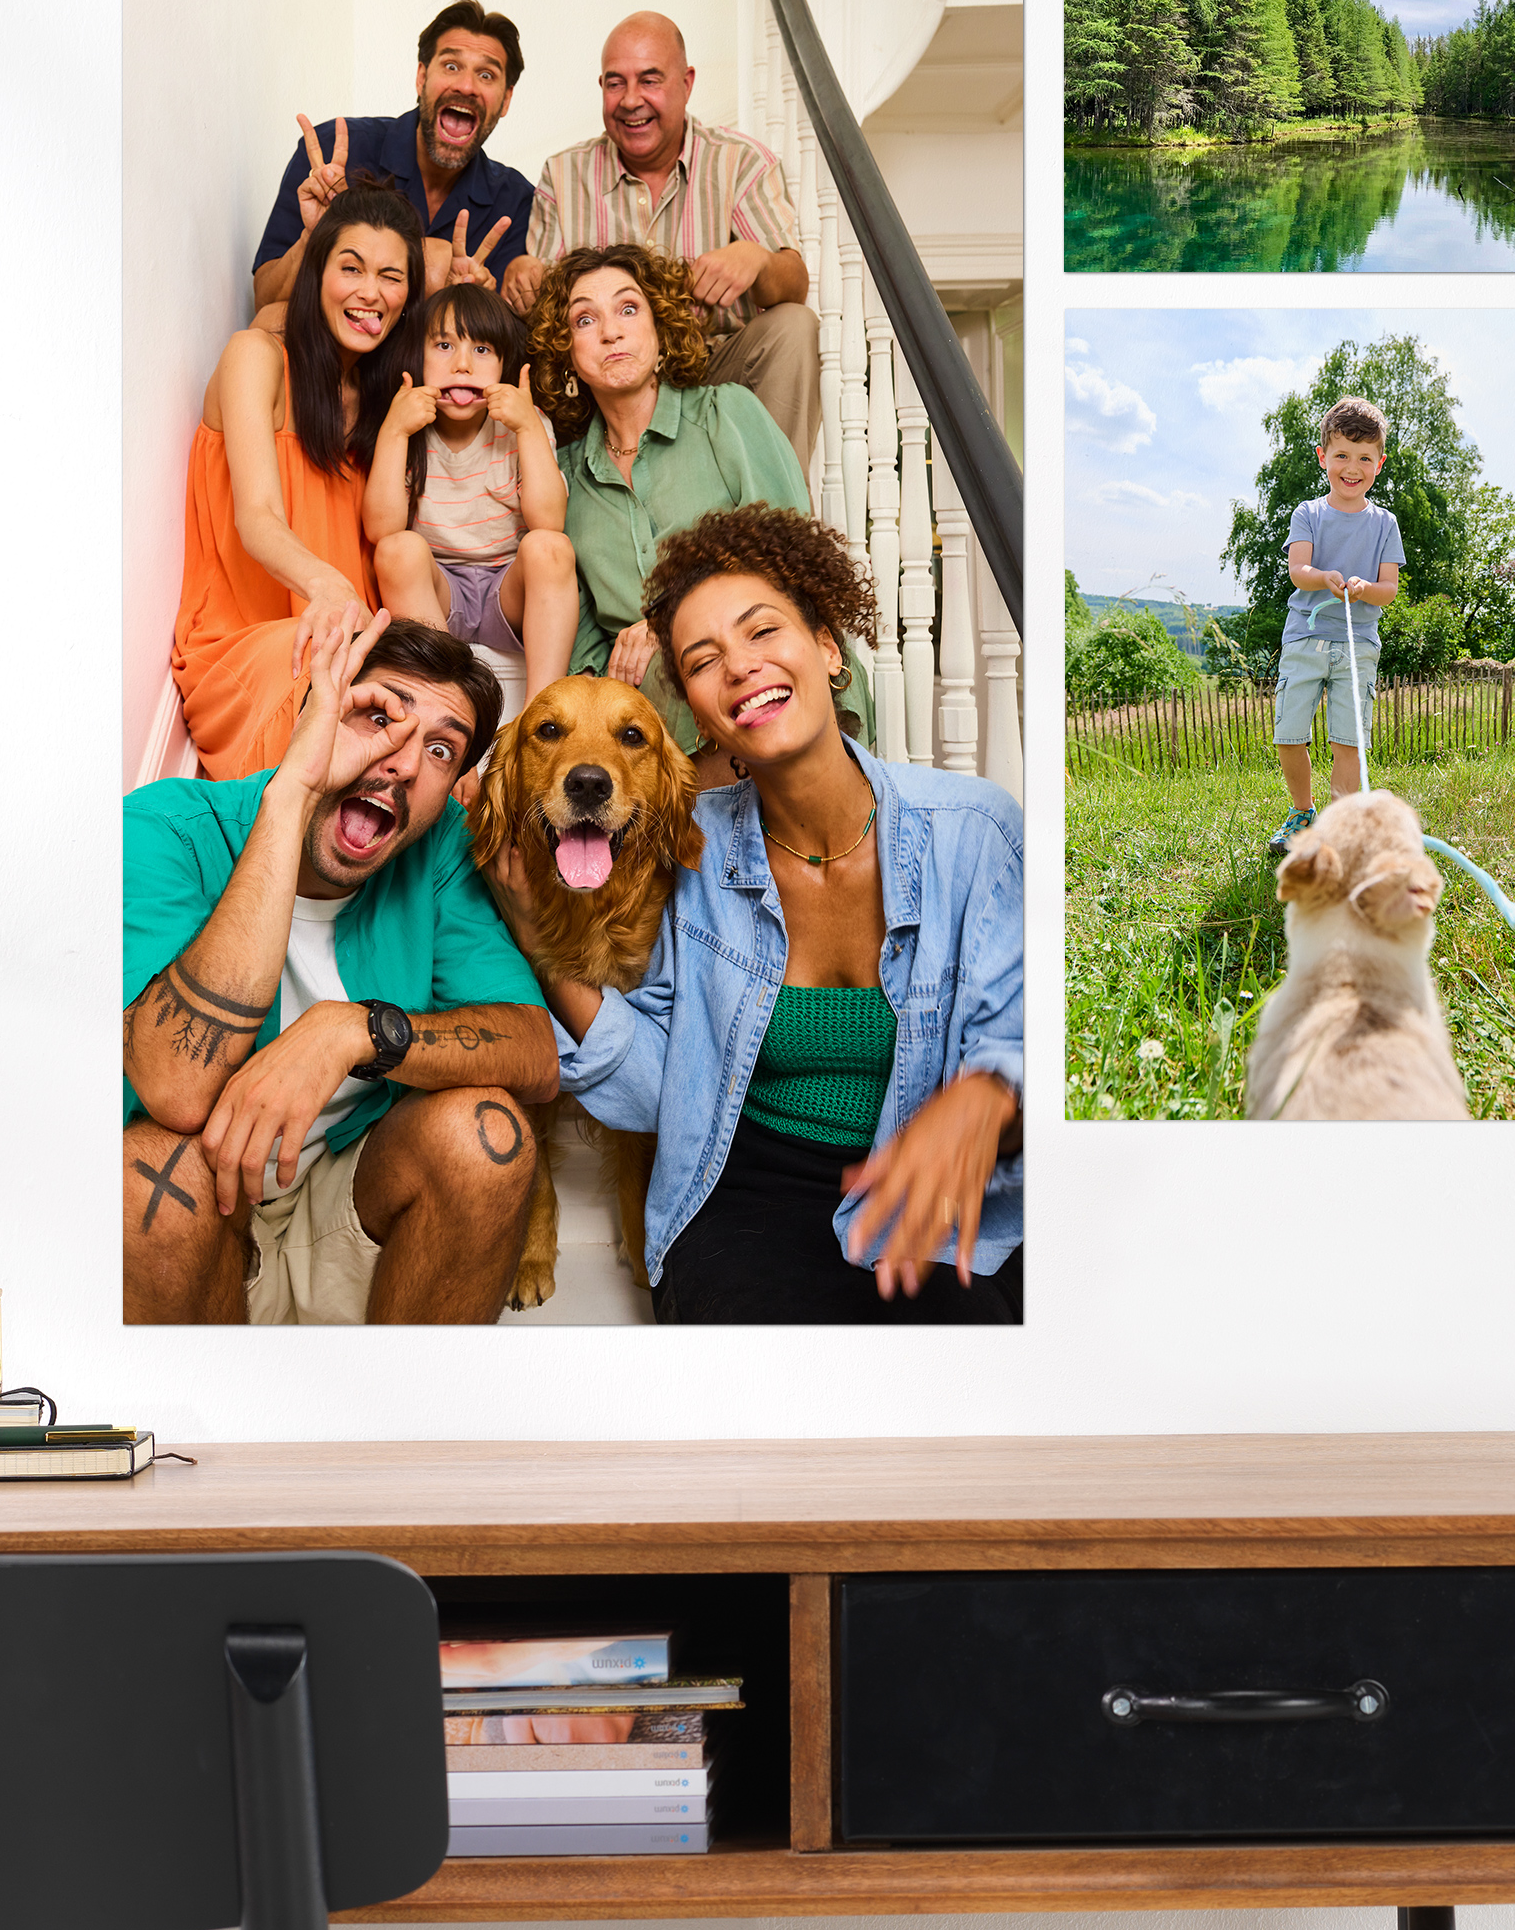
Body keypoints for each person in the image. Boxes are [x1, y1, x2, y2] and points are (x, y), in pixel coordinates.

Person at [502, 508, 1020, 1323]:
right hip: (739, 1189)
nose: (740, 667)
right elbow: (650, 1094)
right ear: (699, 716)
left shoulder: (977, 831)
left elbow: (1020, 1034)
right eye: (703, 660)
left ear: (825, 645)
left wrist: (990, 1091)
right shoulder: (684, 847)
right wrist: (534, 931)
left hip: (942, 1199)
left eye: (762, 632)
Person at [122, 612, 553, 1325]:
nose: (403, 761)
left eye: (442, 750)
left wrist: (353, 1031)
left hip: (349, 1209)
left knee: (489, 1134)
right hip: (204, 1224)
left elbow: (536, 1052)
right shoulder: (165, 826)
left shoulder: (436, 850)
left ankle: (400, 1431)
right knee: (149, 1183)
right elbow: (174, 1084)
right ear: (315, 713)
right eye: (378, 716)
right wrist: (291, 794)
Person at [525, 241, 871, 762]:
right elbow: (579, 633)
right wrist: (614, 689)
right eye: (584, 320)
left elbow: (792, 562)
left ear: (659, 329)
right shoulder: (566, 475)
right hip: (653, 715)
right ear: (567, 352)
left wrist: (670, 623)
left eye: (627, 308)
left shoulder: (726, 415)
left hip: (763, 671)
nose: (610, 331)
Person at [503, 10, 823, 482]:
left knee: (795, 325)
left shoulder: (740, 162)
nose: (631, 100)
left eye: (650, 80)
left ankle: (774, 507)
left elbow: (794, 285)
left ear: (687, 82)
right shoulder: (564, 175)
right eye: (616, 84)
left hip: (713, 369)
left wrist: (758, 261)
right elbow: (547, 317)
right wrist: (524, 276)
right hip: (607, 390)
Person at [171, 183, 421, 778]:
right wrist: (330, 588)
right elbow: (258, 518)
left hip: (348, 640)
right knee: (334, 699)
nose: (370, 292)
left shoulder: (387, 406)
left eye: (391, 276)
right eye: (351, 268)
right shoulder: (256, 356)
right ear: (316, 273)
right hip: (248, 644)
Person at [250, 0, 535, 311]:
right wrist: (315, 237)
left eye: (486, 75)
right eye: (451, 66)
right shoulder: (334, 152)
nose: (466, 85)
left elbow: (509, 337)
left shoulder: (517, 201)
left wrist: (479, 302)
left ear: (506, 100)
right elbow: (266, 300)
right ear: (422, 78)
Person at [368, 280, 574, 704]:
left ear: (504, 364)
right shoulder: (404, 425)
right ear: (417, 357)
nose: (462, 365)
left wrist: (528, 428)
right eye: (444, 346)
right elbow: (380, 528)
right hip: (439, 594)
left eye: (481, 350)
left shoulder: (525, 423)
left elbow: (549, 521)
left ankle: (543, 708)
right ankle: (441, 696)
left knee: (550, 547)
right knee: (396, 550)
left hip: (508, 590)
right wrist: (393, 431)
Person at [1271, 396, 1404, 845]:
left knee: (1348, 741)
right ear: (1322, 456)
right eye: (1342, 454)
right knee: (1290, 734)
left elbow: (1389, 589)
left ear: (1379, 463)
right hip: (1305, 637)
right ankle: (1302, 812)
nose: (1353, 466)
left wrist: (1365, 588)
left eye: (1364, 457)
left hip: (1358, 642)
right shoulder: (1308, 513)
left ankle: (1338, 827)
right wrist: (1322, 577)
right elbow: (1298, 571)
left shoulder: (1385, 523)